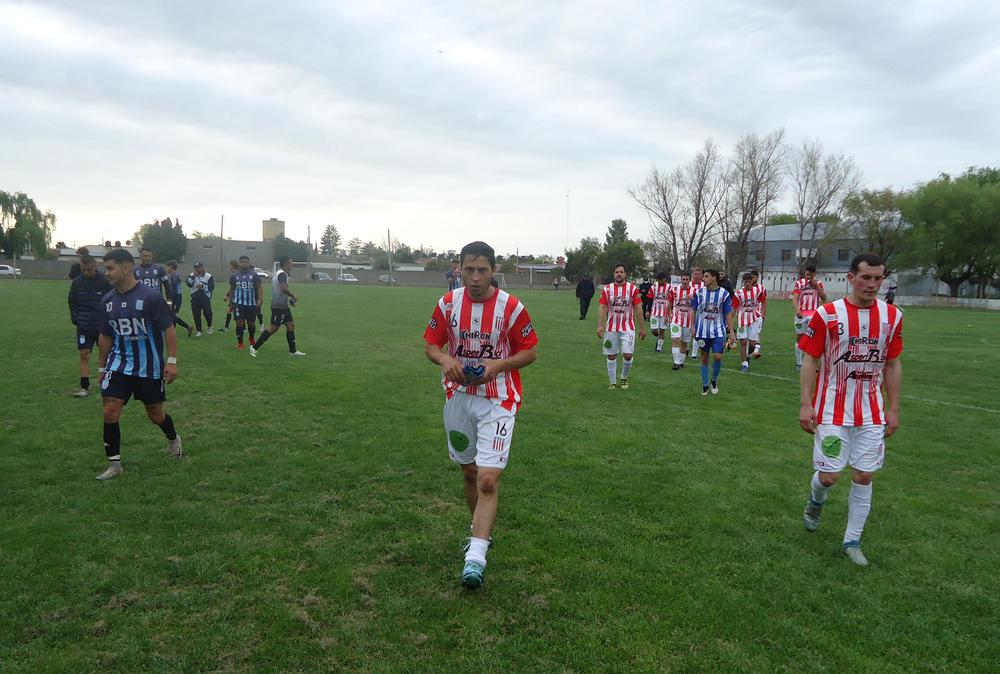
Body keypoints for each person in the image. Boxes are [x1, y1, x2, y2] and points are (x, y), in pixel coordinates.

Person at [423, 240, 538, 588]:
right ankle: (479, 535)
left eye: (482, 270)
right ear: (459, 269)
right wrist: (446, 361)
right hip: (458, 398)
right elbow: (431, 345)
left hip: (498, 400)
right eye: (468, 270)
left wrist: (499, 365)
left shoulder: (512, 307)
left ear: (493, 270)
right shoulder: (447, 304)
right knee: (470, 473)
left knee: (488, 478)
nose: (475, 278)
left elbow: (530, 352)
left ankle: (475, 559)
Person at [798, 254, 903, 567]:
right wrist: (806, 403)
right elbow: (810, 359)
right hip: (831, 410)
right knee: (830, 476)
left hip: (871, 411)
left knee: (864, 474)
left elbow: (893, 364)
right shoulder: (827, 314)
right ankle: (816, 500)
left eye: (878, 278)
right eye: (866, 278)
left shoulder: (892, 316)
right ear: (850, 277)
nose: (872, 284)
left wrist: (894, 408)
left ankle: (851, 540)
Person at [95, 249, 182, 480]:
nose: (107, 273)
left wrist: (171, 361)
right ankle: (114, 464)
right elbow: (105, 336)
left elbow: (168, 328)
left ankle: (174, 440)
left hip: (149, 367)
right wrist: (102, 368)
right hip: (119, 364)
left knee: (155, 414)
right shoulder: (107, 301)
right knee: (110, 410)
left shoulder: (151, 297)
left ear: (126, 268)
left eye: (110, 268)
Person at [597, 264, 647, 390]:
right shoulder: (607, 289)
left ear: (625, 274)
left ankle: (624, 377)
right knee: (611, 355)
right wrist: (600, 325)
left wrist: (642, 327)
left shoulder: (632, 289)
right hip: (611, 328)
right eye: (616, 272)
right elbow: (603, 307)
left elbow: (638, 308)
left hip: (628, 327)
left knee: (628, 354)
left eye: (621, 272)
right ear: (614, 274)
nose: (619, 274)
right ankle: (612, 382)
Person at [68, 255, 111, 397]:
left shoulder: (105, 281)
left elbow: (112, 299)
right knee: (84, 354)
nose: (86, 272)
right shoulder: (77, 283)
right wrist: (75, 318)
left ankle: (106, 383)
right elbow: (72, 301)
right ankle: (84, 387)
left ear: (95, 267)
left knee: (105, 355)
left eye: (89, 269)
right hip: (84, 326)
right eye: (83, 270)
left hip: (102, 326)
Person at [690, 269, 734, 395]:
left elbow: (728, 314)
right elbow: (693, 310)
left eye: (706, 276)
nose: (703, 278)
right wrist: (692, 327)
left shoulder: (724, 294)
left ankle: (714, 380)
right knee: (704, 358)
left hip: (718, 331)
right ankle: (705, 385)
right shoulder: (699, 292)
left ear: (714, 278)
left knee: (718, 356)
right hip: (702, 331)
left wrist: (731, 332)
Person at [250, 257, 305, 357]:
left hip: (283, 306)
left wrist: (289, 299)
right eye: (291, 262)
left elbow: (281, 289)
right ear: (286, 264)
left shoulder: (279, 273)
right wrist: (292, 296)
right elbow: (283, 288)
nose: (292, 265)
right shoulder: (282, 274)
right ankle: (254, 347)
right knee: (273, 328)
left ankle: (293, 351)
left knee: (290, 325)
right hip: (278, 306)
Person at [792, 264, 827, 370]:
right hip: (801, 315)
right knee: (800, 338)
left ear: (814, 274)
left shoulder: (819, 283)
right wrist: (797, 310)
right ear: (805, 273)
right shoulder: (799, 283)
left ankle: (813, 364)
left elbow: (824, 298)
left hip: (814, 315)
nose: (808, 276)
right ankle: (799, 363)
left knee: (814, 338)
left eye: (811, 275)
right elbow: (795, 297)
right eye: (807, 274)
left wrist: (816, 285)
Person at [732, 272, 767, 372]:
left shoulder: (758, 291)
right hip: (742, 319)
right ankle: (744, 364)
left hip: (754, 318)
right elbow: (734, 308)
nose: (747, 284)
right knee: (743, 342)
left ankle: (748, 356)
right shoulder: (738, 294)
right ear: (743, 282)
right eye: (745, 282)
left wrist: (763, 313)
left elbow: (764, 301)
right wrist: (730, 320)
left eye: (749, 281)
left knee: (752, 344)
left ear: (752, 281)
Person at [229, 256, 262, 349]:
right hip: (238, 303)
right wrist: (230, 302)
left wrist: (259, 299)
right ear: (239, 263)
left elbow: (259, 287)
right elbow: (231, 289)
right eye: (242, 262)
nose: (244, 263)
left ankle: (251, 338)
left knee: (251, 323)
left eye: (246, 262)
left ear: (248, 263)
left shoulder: (254, 275)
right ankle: (240, 343)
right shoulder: (234, 275)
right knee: (239, 322)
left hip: (251, 304)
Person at [665, 271, 696, 370]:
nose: (685, 281)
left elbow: (698, 306)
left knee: (684, 342)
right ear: (681, 280)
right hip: (676, 319)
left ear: (690, 280)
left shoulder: (695, 292)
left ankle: (681, 362)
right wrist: (667, 315)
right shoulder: (674, 290)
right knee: (675, 339)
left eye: (687, 279)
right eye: (683, 279)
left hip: (688, 320)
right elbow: (669, 302)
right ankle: (676, 362)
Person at [164, 261, 195, 337]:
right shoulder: (175, 275)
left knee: (172, 314)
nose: (166, 268)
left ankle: (188, 327)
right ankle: (173, 330)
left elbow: (173, 288)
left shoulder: (174, 275)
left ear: (171, 267)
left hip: (175, 297)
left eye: (168, 267)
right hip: (176, 297)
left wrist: (169, 301)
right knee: (172, 314)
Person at [186, 262, 216, 335]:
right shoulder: (192, 275)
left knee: (208, 313)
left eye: (199, 267)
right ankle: (199, 330)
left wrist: (202, 287)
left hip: (205, 298)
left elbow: (211, 286)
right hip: (195, 298)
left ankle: (209, 327)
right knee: (196, 314)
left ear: (202, 267)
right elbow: (188, 284)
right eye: (196, 268)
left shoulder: (208, 276)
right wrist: (193, 277)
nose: (198, 269)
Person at [647, 271, 672, 353]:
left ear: (664, 279)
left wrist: (671, 311)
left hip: (665, 313)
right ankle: (658, 339)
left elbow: (671, 300)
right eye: (659, 280)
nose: (660, 281)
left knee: (662, 330)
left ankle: (659, 348)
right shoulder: (653, 286)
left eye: (661, 280)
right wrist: (648, 310)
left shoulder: (669, 287)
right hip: (655, 312)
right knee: (654, 330)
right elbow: (650, 299)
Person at [688, 266, 705, 358]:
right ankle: (685, 348)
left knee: (696, 331)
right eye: (694, 274)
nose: (696, 276)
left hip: (698, 311)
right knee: (686, 331)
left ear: (701, 275)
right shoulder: (688, 284)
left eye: (698, 274)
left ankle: (694, 354)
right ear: (692, 275)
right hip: (685, 311)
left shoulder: (703, 285)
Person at [220, 260, 239, 332]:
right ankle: (226, 328)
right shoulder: (235, 274)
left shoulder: (235, 275)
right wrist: (227, 295)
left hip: (236, 297)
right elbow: (231, 287)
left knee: (237, 314)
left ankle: (243, 328)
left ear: (232, 266)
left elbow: (232, 288)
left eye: (230, 265)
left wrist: (226, 296)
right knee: (229, 311)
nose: (229, 267)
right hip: (233, 297)